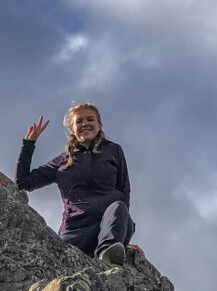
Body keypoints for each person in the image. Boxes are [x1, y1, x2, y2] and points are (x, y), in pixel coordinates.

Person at [15, 101, 135, 265]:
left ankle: (108, 254)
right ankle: (108, 248)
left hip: (108, 227)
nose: (85, 123)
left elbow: (124, 190)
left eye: (90, 119)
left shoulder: (114, 150)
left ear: (99, 125)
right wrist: (29, 145)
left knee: (119, 206)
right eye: (79, 121)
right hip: (75, 232)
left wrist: (122, 235)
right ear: (72, 129)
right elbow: (23, 182)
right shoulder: (62, 161)